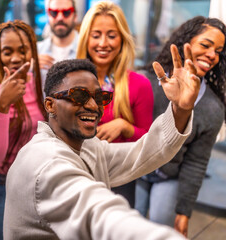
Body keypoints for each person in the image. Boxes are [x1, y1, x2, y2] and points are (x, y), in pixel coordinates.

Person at [4, 51, 200, 239]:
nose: (92, 105)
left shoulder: (87, 146)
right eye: (79, 96)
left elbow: (142, 153)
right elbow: (100, 216)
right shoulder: (45, 163)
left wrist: (181, 109)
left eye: (99, 97)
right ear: (50, 105)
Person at [135, 16, 226, 237]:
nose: (212, 55)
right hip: (134, 168)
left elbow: (197, 161)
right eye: (205, 45)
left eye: (219, 51)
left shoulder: (213, 108)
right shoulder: (146, 82)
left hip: (169, 175)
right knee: (130, 222)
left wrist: (184, 212)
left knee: (160, 226)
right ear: (187, 41)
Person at [0, 20, 46, 240]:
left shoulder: (38, 83)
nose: (15, 58)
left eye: (23, 50)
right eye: (7, 52)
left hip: (31, 181)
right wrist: (2, 105)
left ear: (32, 51)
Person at [76, 1, 153, 207]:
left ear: (122, 39)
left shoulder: (139, 84)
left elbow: (149, 144)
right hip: (76, 176)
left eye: (111, 35)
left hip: (120, 181)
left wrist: (126, 127)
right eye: (96, 35)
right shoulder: (69, 81)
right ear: (86, 38)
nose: (103, 43)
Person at [37, 0, 79, 89]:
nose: (60, 18)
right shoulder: (36, 51)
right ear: (48, 15)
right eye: (54, 13)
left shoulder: (89, 48)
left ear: (75, 16)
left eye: (66, 12)